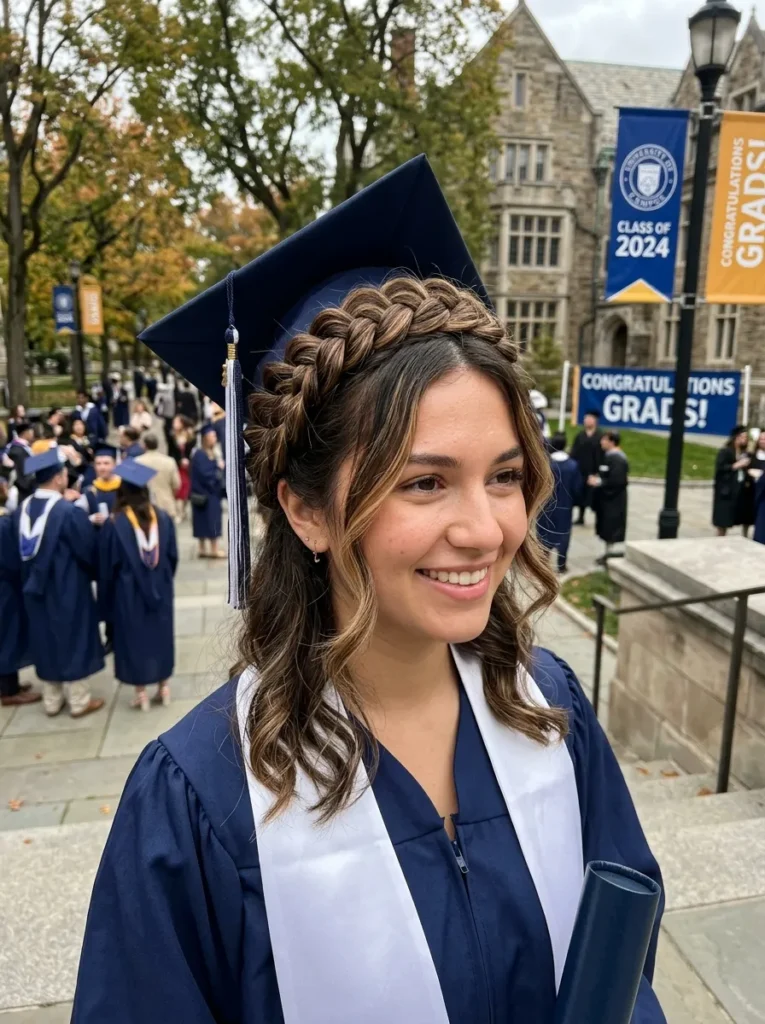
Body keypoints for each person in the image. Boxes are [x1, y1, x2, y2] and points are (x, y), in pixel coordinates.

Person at [74, 158, 664, 1023]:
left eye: (504, 476)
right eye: (424, 483)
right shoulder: (199, 797)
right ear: (305, 511)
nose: (485, 529)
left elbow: (622, 972)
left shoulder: (550, 711)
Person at [14, 446, 104, 718]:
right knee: (73, 637)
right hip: (69, 590)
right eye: (64, 473)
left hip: (33, 591)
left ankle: (51, 700)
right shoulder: (67, 512)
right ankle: (78, 701)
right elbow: (87, 551)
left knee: (44, 638)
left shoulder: (21, 510)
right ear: (57, 478)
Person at [98, 459, 178, 712]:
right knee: (160, 636)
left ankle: (141, 693)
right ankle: (164, 687)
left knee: (134, 639)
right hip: (161, 589)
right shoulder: (162, 518)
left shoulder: (115, 523)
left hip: (127, 594)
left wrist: (106, 602)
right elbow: (172, 557)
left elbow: (107, 567)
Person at [0, 477, 40, 707]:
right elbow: (10, 562)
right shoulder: (3, 523)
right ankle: (8, 689)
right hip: (4, 588)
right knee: (7, 635)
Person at [537, 433, 582, 575]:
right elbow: (577, 489)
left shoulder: (546, 465)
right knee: (563, 535)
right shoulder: (573, 466)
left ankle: (543, 564)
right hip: (565, 507)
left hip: (546, 507)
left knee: (544, 534)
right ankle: (561, 565)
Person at [589, 430, 629, 564]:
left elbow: (617, 481)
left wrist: (598, 482)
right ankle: (607, 553)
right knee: (606, 527)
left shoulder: (618, 459)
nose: (601, 442)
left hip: (614, 501)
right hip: (607, 501)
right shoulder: (608, 456)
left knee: (611, 528)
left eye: (604, 440)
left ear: (611, 442)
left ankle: (610, 555)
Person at [190, 423, 225, 558]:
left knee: (211, 521)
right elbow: (205, 474)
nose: (215, 438)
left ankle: (210, 548)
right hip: (205, 493)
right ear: (205, 438)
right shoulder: (199, 454)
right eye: (212, 436)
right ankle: (205, 549)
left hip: (211, 494)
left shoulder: (213, 453)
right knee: (206, 522)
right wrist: (218, 467)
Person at [713, 426, 754, 538]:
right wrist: (736, 465)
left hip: (739, 490)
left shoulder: (744, 453)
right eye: (742, 437)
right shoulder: (726, 451)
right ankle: (720, 539)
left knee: (741, 516)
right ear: (736, 437)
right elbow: (720, 469)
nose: (745, 439)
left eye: (746, 437)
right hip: (726, 490)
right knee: (723, 520)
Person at [136, 433, 181, 519]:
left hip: (145, 505)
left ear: (144, 446)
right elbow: (176, 484)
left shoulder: (138, 461)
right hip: (166, 503)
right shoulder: (169, 461)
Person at [569, 410, 602, 526]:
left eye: (589, 419)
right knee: (580, 493)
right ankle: (580, 516)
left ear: (595, 421)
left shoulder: (600, 436)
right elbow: (574, 452)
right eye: (585, 419)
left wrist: (598, 472)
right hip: (580, 470)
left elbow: (601, 455)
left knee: (594, 495)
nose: (586, 421)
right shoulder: (580, 436)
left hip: (593, 470)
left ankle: (598, 518)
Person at [76, 445, 121, 522]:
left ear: (114, 465)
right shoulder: (89, 491)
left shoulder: (123, 489)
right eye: (98, 464)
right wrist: (91, 519)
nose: (102, 467)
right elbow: (78, 516)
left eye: (106, 463)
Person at [167, 413, 195, 520]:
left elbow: (191, 450)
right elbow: (171, 452)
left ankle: (183, 510)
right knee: (179, 488)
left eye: (177, 422)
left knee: (186, 488)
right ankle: (179, 512)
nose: (174, 424)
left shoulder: (190, 435)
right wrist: (178, 461)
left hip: (188, 467)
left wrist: (188, 460)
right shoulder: (172, 436)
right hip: (177, 466)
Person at [6, 421, 36, 502]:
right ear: (25, 433)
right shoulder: (17, 451)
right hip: (23, 494)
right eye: (31, 431)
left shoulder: (24, 448)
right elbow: (21, 475)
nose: (33, 433)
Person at [65, 418, 95, 488]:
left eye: (81, 424)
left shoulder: (90, 439)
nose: (79, 427)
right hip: (76, 472)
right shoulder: (69, 441)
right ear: (72, 427)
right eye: (76, 425)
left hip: (89, 470)